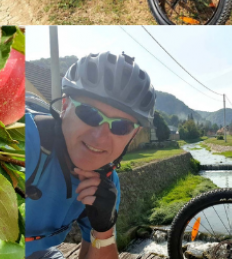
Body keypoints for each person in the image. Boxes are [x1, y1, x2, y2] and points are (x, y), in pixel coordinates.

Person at [25, 52, 156, 259]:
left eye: (121, 126)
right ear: (66, 105)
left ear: (133, 134)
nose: (100, 137)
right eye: (89, 113)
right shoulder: (28, 141)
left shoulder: (106, 183)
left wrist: (103, 227)